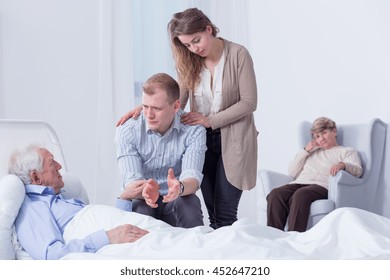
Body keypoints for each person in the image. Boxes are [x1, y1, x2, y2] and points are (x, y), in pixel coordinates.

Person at [117, 8, 258, 229]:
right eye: (187, 45)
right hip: (201, 139)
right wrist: (146, 108)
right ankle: (213, 257)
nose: (194, 48)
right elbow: (176, 101)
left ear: (208, 29)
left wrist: (210, 120)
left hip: (235, 140)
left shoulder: (238, 55)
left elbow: (249, 102)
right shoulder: (189, 60)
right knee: (212, 213)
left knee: (226, 212)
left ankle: (228, 260)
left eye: (196, 40)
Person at [8, 144, 149, 260]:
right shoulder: (32, 206)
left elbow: (113, 228)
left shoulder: (58, 199)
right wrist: (108, 237)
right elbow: (51, 254)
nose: (59, 166)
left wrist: (124, 199)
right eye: (52, 163)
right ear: (36, 177)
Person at [115, 72, 207, 228]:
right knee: (140, 207)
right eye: (145, 106)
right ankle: (141, 251)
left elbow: (193, 177)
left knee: (189, 203)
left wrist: (180, 187)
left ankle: (196, 250)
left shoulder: (193, 130)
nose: (149, 115)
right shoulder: (128, 130)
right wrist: (145, 190)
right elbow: (131, 182)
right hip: (144, 199)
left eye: (157, 108)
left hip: (178, 199)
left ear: (176, 106)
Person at [266, 117, 363, 232]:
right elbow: (292, 172)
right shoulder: (312, 152)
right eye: (317, 136)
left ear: (334, 131)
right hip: (300, 182)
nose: (321, 138)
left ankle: (294, 235)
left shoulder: (345, 151)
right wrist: (306, 150)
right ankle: (273, 234)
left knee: (301, 194)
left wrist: (342, 165)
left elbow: (358, 170)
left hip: (321, 186)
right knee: (275, 194)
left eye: (324, 133)